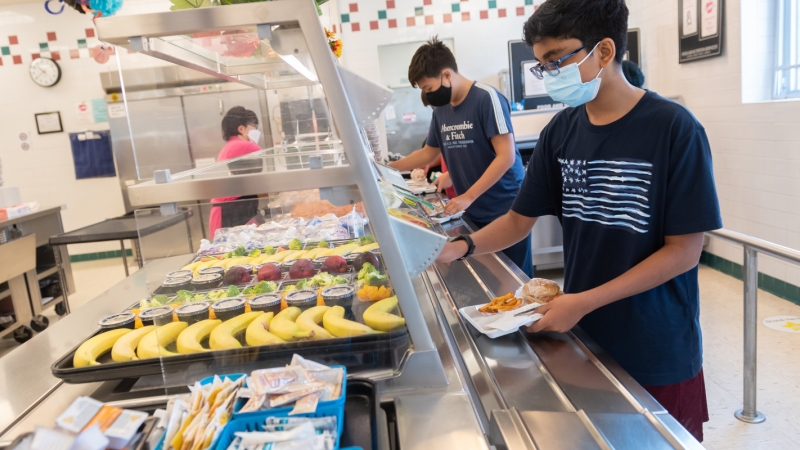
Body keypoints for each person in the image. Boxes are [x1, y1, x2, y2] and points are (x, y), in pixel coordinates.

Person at [436, 0, 721, 442]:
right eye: (542, 64)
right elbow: (517, 220)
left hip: (655, 343)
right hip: (586, 338)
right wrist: (461, 246)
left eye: (556, 60)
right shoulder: (561, 131)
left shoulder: (674, 129)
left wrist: (585, 300)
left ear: (603, 52)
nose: (549, 74)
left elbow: (684, 250)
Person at [389, 37, 533, 277]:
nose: (429, 96)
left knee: (514, 279)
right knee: (490, 280)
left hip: (505, 210)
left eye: (429, 89)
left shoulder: (486, 98)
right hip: (472, 211)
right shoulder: (442, 110)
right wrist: (388, 167)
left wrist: (468, 196)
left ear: (447, 75)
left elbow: (506, 156)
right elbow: (428, 152)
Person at [208, 106, 263, 239]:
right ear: (241, 129)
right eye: (253, 126)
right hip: (232, 212)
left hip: (224, 211)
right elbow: (265, 166)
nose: (256, 130)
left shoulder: (230, 146)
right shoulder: (246, 146)